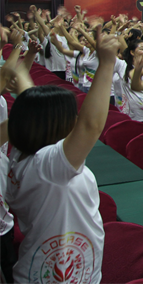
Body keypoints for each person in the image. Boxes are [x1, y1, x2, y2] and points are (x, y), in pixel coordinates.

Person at [5, 27, 117, 284]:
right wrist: (107, 64)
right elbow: (90, 126)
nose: (76, 121)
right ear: (55, 125)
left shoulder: (22, 153)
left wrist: (24, 62)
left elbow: (30, 101)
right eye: (73, 116)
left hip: (54, 269)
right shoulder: (48, 165)